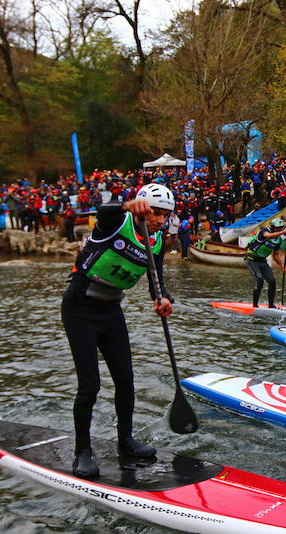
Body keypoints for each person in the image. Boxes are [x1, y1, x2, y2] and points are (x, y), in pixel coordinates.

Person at [61, 183, 175, 479]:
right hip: (79, 308)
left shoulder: (158, 241)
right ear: (142, 209)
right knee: (90, 386)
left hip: (111, 312)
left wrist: (163, 298)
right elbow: (103, 211)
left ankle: (125, 441)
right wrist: (127, 205)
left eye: (165, 215)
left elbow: (155, 280)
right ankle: (82, 452)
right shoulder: (117, 222)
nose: (160, 219)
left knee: (125, 380)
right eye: (155, 213)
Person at [245, 218, 286, 309]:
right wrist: (283, 232)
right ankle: (255, 306)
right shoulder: (265, 231)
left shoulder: (278, 240)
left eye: (281, 228)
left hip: (262, 261)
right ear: (272, 227)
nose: (280, 229)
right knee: (260, 280)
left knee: (272, 281)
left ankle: (271, 305)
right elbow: (268, 236)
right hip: (252, 259)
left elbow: (275, 256)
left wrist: (282, 265)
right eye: (278, 228)